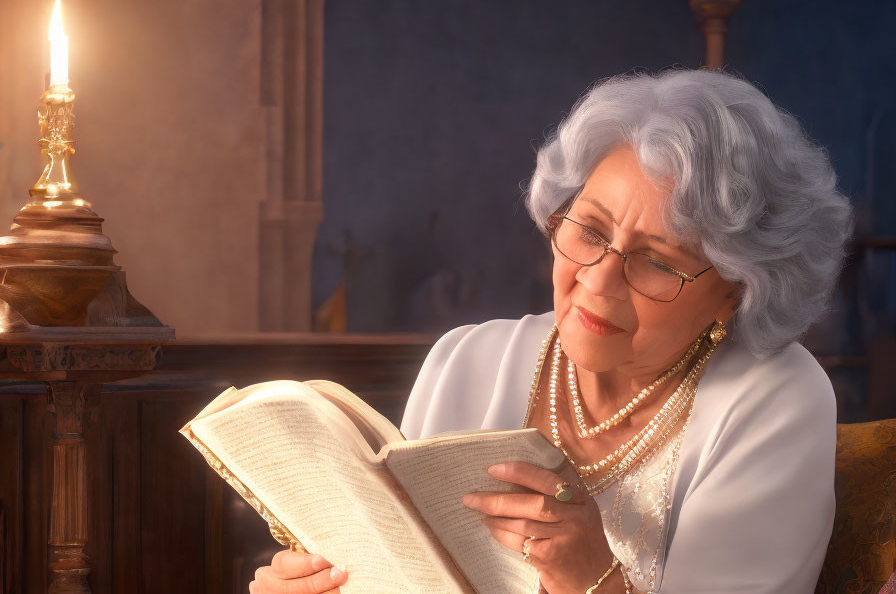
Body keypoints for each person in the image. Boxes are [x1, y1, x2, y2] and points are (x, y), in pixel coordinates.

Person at [249, 68, 853, 594]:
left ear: (736, 290)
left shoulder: (778, 399)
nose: (600, 280)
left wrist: (594, 581)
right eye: (590, 231)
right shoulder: (466, 361)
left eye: (657, 261)